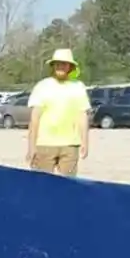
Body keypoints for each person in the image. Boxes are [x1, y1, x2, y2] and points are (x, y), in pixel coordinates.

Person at [25, 48, 90, 177]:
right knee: (42, 185)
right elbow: (35, 119)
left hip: (70, 145)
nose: (61, 66)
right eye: (58, 63)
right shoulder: (42, 86)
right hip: (44, 144)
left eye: (64, 63)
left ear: (70, 67)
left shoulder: (78, 87)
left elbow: (82, 116)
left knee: (68, 187)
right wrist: (31, 147)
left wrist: (85, 142)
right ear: (53, 66)